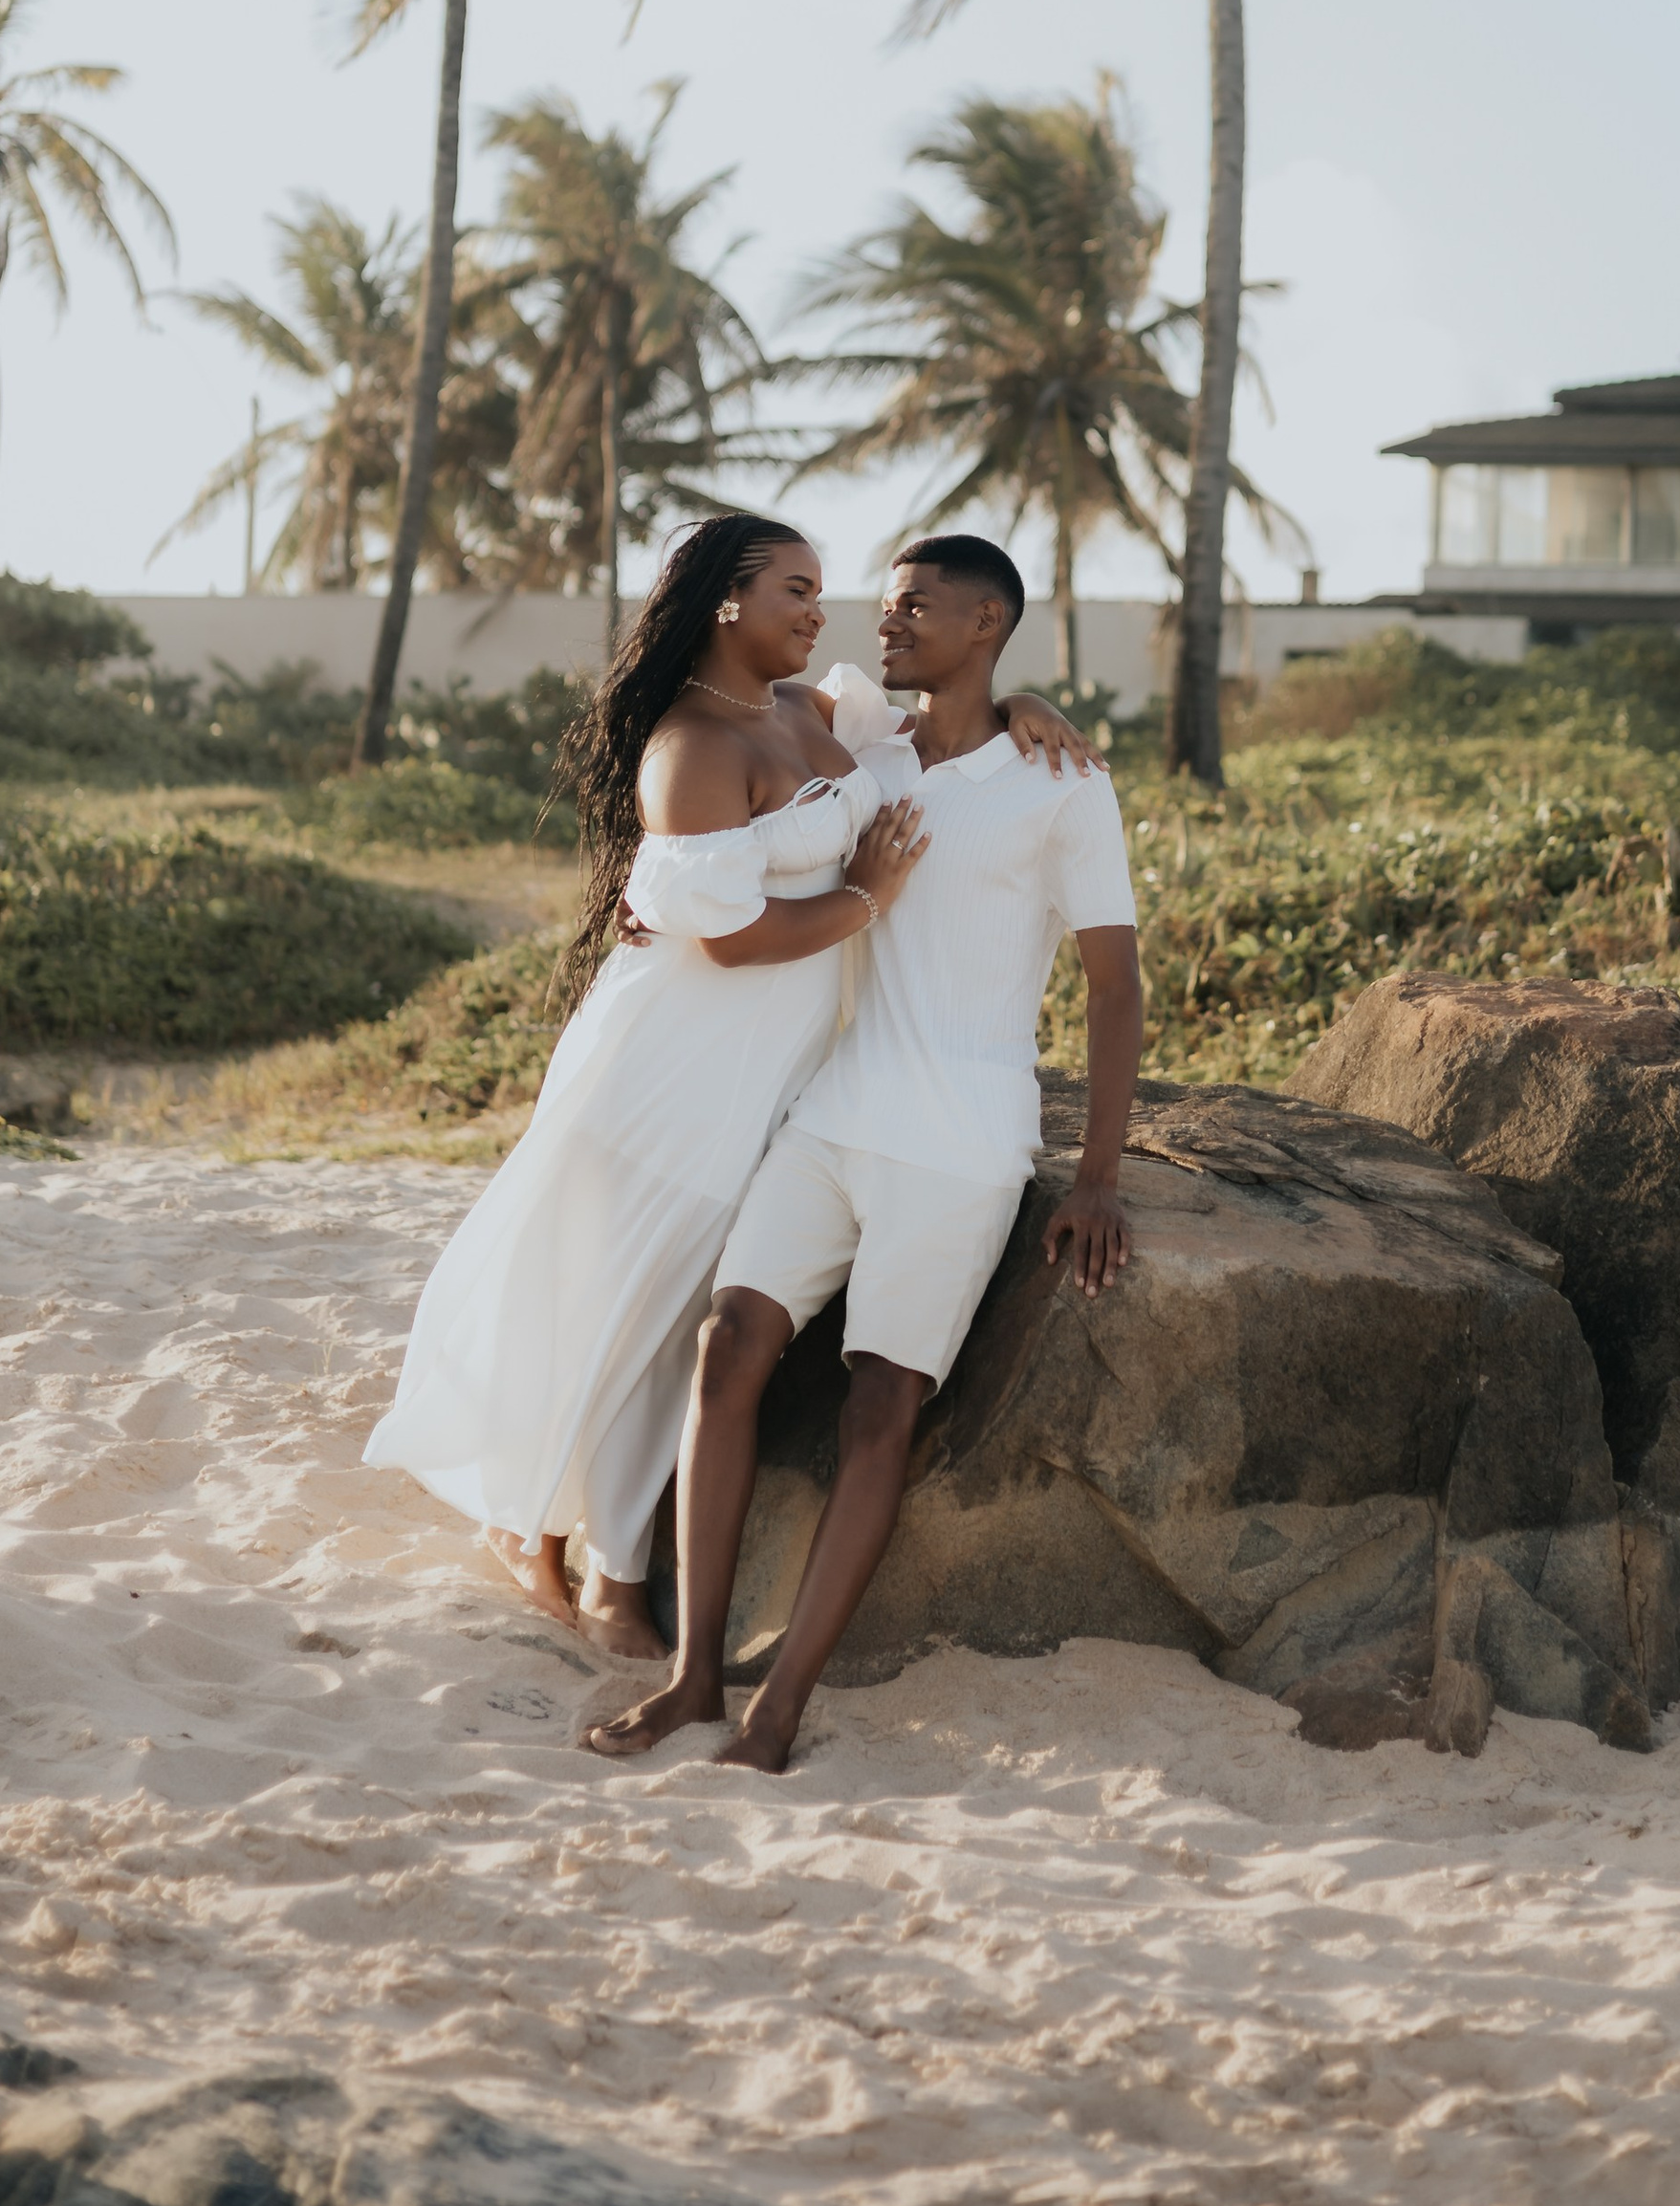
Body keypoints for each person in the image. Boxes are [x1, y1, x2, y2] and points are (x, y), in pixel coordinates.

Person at [362, 513, 1099, 1657]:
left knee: (685, 1309)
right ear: (721, 602)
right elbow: (727, 938)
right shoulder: (692, 748)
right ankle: (558, 1541)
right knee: (615, 1293)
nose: (821, 611)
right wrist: (864, 898)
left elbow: (936, 721)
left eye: (820, 591)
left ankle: (594, 1543)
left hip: (785, 1072)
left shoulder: (812, 712)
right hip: (673, 1060)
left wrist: (1020, 710)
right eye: (795, 590)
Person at [583, 532, 1143, 1766]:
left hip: (963, 1143)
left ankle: (778, 1707)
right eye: (881, 607)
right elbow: (732, 733)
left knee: (881, 1407)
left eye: (910, 609)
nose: (878, 627)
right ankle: (691, 1681)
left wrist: (1096, 1174)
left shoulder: (1063, 781)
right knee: (727, 1348)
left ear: (985, 622)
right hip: (834, 1115)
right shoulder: (866, 748)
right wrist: (664, 890)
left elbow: (1114, 984)